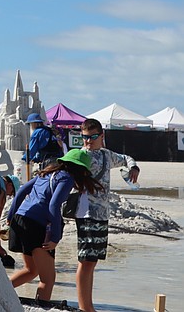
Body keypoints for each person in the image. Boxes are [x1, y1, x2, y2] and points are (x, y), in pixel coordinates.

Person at [7, 149, 101, 304]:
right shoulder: (67, 178)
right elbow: (53, 205)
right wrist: (56, 237)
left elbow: (21, 191)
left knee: (31, 270)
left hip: (20, 219)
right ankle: (41, 307)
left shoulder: (46, 173)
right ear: (80, 169)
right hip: (36, 225)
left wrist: (11, 217)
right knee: (48, 279)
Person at [74, 118, 140, 312]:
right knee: (85, 260)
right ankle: (85, 308)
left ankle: (89, 306)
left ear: (101, 136)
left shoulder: (106, 155)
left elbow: (126, 158)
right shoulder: (81, 155)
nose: (88, 141)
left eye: (92, 137)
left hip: (102, 214)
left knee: (92, 262)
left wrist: (134, 167)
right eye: (84, 137)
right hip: (86, 213)